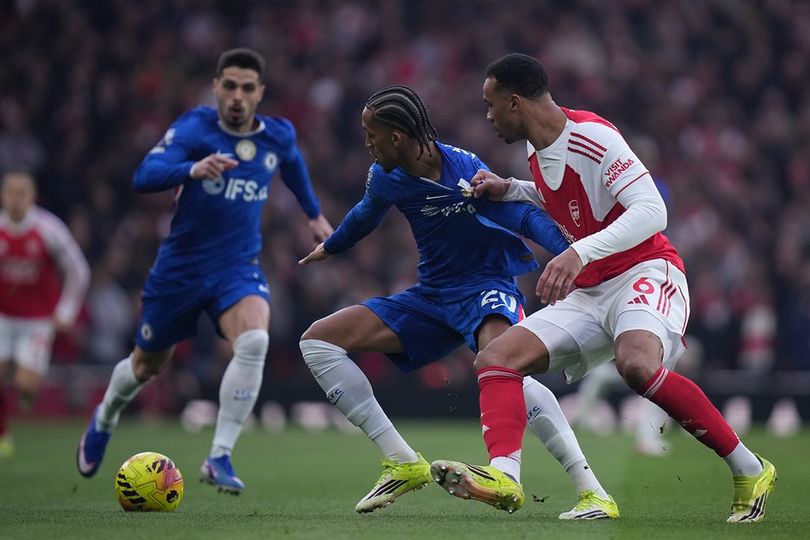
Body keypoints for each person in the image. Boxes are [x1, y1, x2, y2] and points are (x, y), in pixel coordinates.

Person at [430, 53, 776, 523]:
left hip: (646, 270)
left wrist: (578, 252)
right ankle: (504, 476)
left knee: (636, 364)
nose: (487, 116)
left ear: (515, 102)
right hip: (592, 291)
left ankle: (749, 467)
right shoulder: (534, 152)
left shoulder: (593, 137)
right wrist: (511, 188)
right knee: (495, 359)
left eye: (491, 105)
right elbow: (568, 201)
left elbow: (653, 210)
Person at [298, 85, 619, 519]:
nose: (366, 143)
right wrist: (332, 246)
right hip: (432, 295)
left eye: (371, 134)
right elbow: (363, 215)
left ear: (397, 137)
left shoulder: (464, 169)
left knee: (507, 366)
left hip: (487, 286)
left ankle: (588, 490)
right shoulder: (386, 177)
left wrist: (569, 247)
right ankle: (401, 460)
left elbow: (519, 214)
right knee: (317, 341)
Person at [75, 48, 333, 493]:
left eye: (247, 88)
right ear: (216, 87)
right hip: (179, 269)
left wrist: (313, 214)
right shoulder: (195, 127)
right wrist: (190, 168)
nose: (237, 96)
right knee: (146, 366)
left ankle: (219, 455)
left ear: (260, 93)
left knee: (254, 339)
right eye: (229, 85)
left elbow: (291, 165)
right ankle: (105, 416)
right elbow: (145, 175)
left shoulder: (278, 135)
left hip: (237, 267)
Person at [0, 169, 90, 459]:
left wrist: (65, 311)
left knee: (26, 386)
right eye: (11, 192)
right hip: (3, 316)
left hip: (37, 321)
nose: (16, 199)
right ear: (3, 195)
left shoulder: (48, 228)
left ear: (32, 197)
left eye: (22, 192)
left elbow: (78, 269)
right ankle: (3, 435)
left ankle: (27, 392)